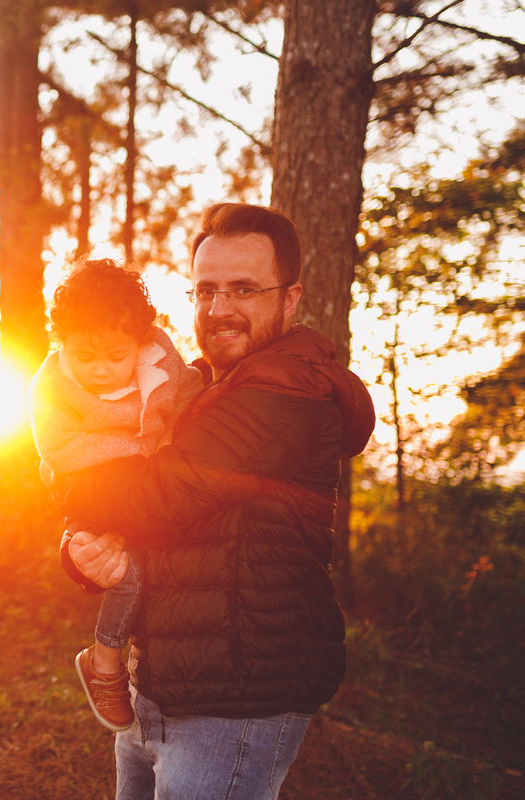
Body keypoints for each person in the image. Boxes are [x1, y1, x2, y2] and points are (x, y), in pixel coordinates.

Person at [50, 203, 376, 799]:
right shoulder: (200, 386)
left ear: (291, 298)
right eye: (206, 291)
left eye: (244, 289)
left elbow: (158, 496)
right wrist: (81, 548)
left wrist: (65, 484)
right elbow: (141, 516)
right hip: (165, 682)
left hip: (237, 700)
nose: (219, 309)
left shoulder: (287, 389)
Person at [27, 259, 201, 732]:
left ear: (139, 341)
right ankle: (104, 661)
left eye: (114, 356)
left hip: (154, 487)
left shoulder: (158, 360)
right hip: (92, 490)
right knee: (127, 573)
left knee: (156, 568)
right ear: (63, 342)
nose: (100, 370)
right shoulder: (53, 385)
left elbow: (187, 395)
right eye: (86, 357)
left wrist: (172, 445)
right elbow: (58, 449)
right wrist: (139, 450)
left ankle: (133, 658)